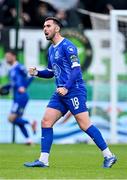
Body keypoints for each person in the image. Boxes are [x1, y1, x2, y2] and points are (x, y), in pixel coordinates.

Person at [24, 17, 117, 168]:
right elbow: (50, 72)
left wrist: (66, 87)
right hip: (60, 92)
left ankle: (109, 156)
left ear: (57, 29)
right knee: (46, 121)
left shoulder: (68, 46)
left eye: (48, 26)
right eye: (44, 26)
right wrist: (37, 73)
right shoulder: (51, 49)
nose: (45, 29)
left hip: (74, 90)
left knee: (85, 124)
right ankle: (43, 160)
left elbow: (76, 69)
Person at [0, 50, 37, 145]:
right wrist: (3, 87)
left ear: (14, 56)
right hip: (16, 97)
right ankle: (28, 139)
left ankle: (31, 122)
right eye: (6, 57)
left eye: (8, 56)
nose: (6, 58)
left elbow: (31, 75)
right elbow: (13, 84)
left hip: (21, 97)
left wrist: (24, 87)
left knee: (11, 118)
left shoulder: (19, 67)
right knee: (17, 119)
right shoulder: (11, 70)